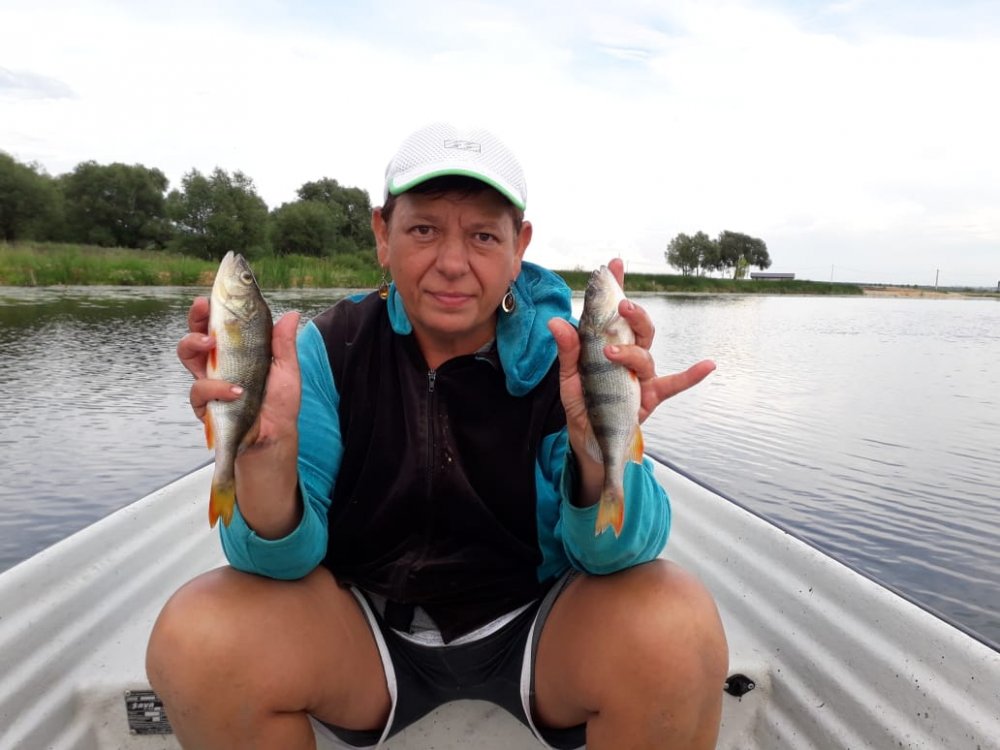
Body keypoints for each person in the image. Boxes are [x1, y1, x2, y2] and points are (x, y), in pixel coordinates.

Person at [147, 123, 728, 750]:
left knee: (677, 624)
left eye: (483, 236)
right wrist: (262, 453)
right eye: (424, 230)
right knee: (196, 638)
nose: (453, 264)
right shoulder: (326, 349)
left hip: (540, 630)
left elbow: (612, 557)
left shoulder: (569, 354)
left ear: (519, 246)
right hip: (365, 633)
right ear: (382, 234)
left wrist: (595, 450)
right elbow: (277, 563)